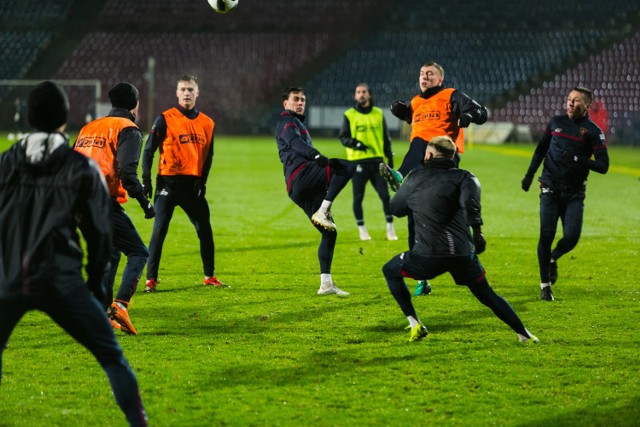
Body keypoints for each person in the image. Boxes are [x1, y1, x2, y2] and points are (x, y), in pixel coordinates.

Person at [0, 81, 148, 426]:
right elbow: (99, 234)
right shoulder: (81, 168)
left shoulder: (7, 161)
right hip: (60, 280)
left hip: (8, 278)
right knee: (112, 357)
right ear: (65, 119)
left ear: (29, 117)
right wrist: (96, 287)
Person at [383, 136, 538, 343]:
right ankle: (524, 334)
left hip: (427, 256)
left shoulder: (413, 178)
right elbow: (471, 205)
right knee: (487, 295)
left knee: (390, 270)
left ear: (428, 155)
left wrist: (405, 192)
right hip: (462, 254)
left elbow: (396, 210)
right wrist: (478, 232)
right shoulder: (465, 177)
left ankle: (415, 323)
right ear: (453, 156)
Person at [382, 61, 488, 297]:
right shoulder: (417, 102)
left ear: (440, 79)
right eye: (421, 73)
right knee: (414, 216)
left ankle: (399, 173)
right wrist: (402, 111)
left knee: (421, 143)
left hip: (443, 161)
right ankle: (421, 277)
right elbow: (415, 121)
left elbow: (482, 113)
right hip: (422, 163)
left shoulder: (451, 95)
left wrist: (469, 115)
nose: (424, 77)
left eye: (430, 73)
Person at [74, 82, 154, 335]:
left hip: (74, 199)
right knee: (139, 253)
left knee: (111, 253)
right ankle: (120, 305)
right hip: (98, 200)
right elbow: (129, 174)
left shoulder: (89, 127)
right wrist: (146, 203)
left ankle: (98, 313)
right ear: (134, 105)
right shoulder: (128, 129)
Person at [521, 86, 609, 301]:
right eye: (569, 99)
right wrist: (530, 175)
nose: (570, 103)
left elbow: (604, 166)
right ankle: (545, 286)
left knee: (571, 237)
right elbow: (541, 150)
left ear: (587, 106)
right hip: (550, 187)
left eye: (576, 100)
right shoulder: (555, 123)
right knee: (546, 235)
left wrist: (581, 160)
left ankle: (553, 257)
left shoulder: (593, 132)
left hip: (574, 193)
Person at [142, 74, 226, 292]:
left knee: (204, 229)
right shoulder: (165, 118)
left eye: (191, 90)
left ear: (197, 93)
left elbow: (209, 156)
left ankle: (209, 276)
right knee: (159, 230)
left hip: (192, 186)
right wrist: (147, 180)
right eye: (183, 90)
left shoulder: (207, 123)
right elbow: (148, 150)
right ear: (177, 93)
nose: (187, 93)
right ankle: (150, 280)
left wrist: (202, 181)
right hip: (167, 184)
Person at [276, 87, 355, 295]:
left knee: (329, 233)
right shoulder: (287, 121)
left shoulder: (297, 122)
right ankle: (324, 209)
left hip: (299, 187)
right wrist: (316, 156)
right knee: (347, 167)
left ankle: (326, 284)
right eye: (295, 99)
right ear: (286, 103)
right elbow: (295, 143)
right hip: (301, 176)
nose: (300, 102)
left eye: (302, 99)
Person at [339, 83, 397, 241]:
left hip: (377, 161)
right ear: (355, 96)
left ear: (369, 95)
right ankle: (362, 230)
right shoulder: (349, 114)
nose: (361, 94)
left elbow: (386, 137)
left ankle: (390, 229)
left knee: (385, 196)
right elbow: (343, 137)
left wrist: (389, 158)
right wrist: (356, 144)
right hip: (357, 162)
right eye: (358, 92)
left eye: (364, 92)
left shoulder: (378, 113)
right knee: (358, 198)